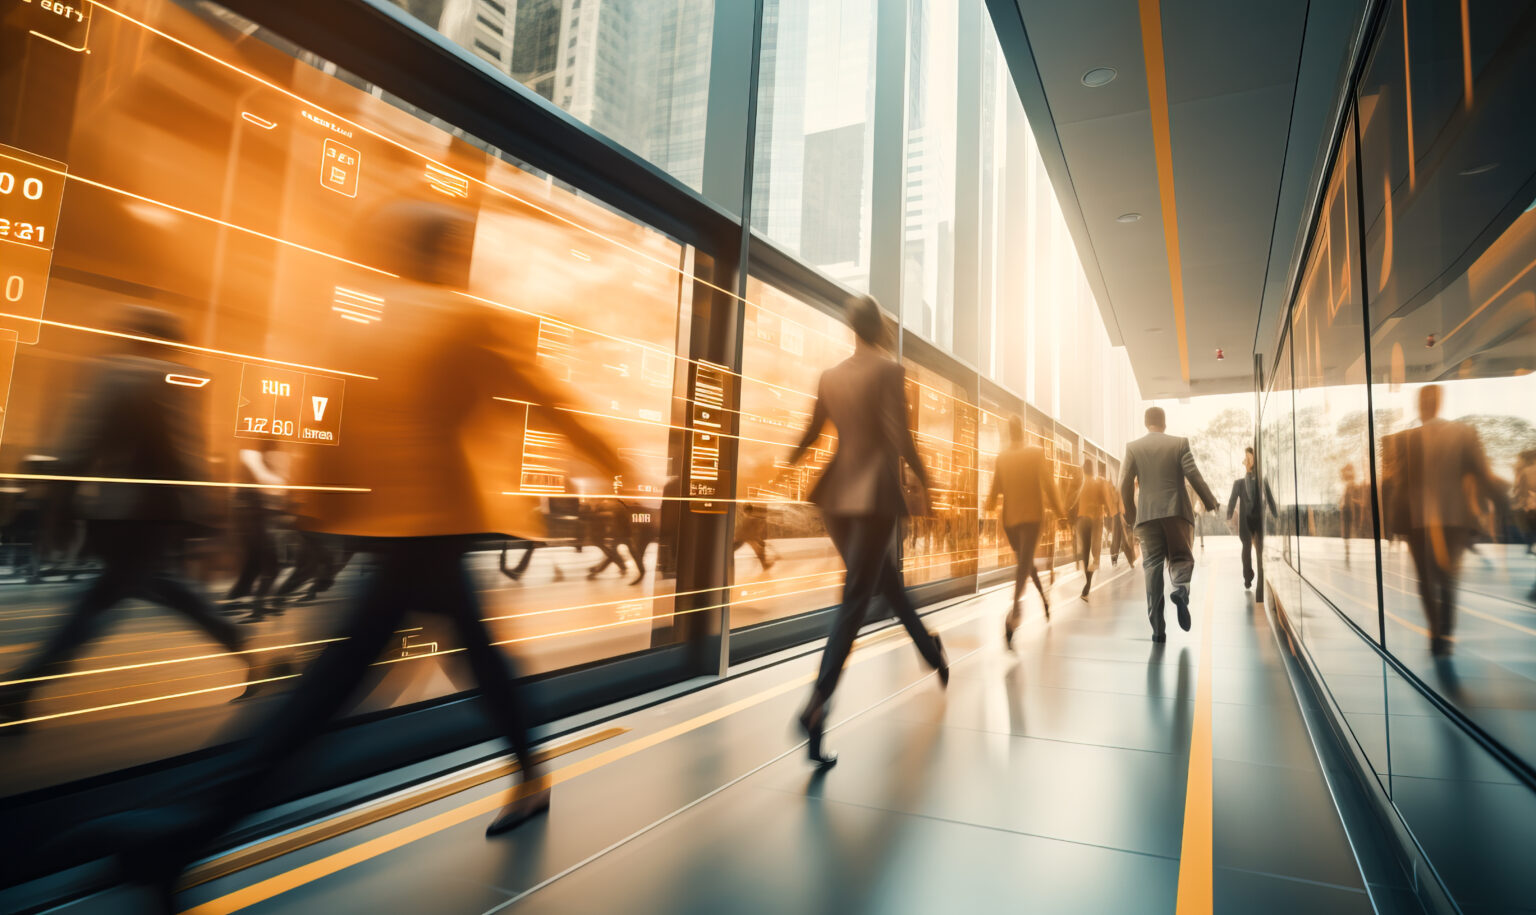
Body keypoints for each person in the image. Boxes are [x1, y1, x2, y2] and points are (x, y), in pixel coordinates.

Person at [85, 200, 627, 902]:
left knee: (339, 688)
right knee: (448, 665)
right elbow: (548, 399)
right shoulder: (470, 315)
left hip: (392, 530)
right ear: (452, 253)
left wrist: (312, 513)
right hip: (437, 525)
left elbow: (329, 426)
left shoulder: (368, 323)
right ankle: (529, 774)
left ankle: (180, 831)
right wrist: (609, 456)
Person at [0, 307, 260, 724]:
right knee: (152, 588)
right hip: (156, 515)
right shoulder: (178, 377)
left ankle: (22, 688)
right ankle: (250, 649)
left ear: (136, 334)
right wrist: (208, 514)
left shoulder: (116, 371)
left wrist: (58, 501)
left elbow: (81, 441)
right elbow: (187, 450)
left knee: (104, 599)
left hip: (119, 513)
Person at [784, 294, 948, 768]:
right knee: (856, 598)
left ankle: (931, 651)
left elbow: (813, 432)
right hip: (874, 494)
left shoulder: (831, 375)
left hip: (836, 497)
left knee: (886, 583)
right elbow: (900, 435)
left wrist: (782, 466)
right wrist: (926, 483)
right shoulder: (890, 372)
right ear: (879, 328)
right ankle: (816, 706)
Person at [1379, 385, 1506, 656]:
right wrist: (1502, 505)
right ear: (1439, 402)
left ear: (1420, 405)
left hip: (1417, 519)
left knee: (1425, 578)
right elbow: (1482, 473)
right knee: (1449, 576)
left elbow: (1395, 483)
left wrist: (1391, 523)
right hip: (1455, 517)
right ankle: (1445, 631)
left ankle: (1436, 631)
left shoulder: (1404, 439)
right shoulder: (1464, 433)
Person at [1120, 406, 1219, 641]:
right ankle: (1181, 591)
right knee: (1180, 556)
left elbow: (1124, 484)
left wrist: (1131, 515)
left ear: (1146, 423)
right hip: (1176, 512)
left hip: (1146, 516)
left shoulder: (1133, 448)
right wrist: (1209, 500)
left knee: (1152, 567)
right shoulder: (1179, 444)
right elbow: (1193, 475)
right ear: (1164, 424)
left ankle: (1158, 631)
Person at [984, 415, 1063, 646]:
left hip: (1010, 520)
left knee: (1025, 563)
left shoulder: (1002, 457)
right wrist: (1060, 510)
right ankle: (1015, 614)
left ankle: (1043, 599)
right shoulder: (1035, 453)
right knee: (1024, 565)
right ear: (1023, 432)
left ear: (1009, 433)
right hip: (1032, 518)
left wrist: (988, 505)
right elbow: (1048, 484)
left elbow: (995, 490)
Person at [1226, 446, 1277, 590]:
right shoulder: (1239, 483)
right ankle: (1247, 578)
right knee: (1246, 549)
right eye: (1246, 458)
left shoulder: (1262, 481)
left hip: (1259, 521)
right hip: (1245, 523)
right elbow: (1231, 501)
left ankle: (1261, 579)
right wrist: (1229, 516)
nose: (1247, 461)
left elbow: (1270, 499)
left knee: (1259, 550)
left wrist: (1275, 515)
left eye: (1250, 458)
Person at [1075, 459, 1110, 599]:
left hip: (1083, 520)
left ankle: (1087, 583)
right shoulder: (1098, 482)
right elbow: (1106, 500)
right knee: (1095, 554)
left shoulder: (1083, 485)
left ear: (1084, 470)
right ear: (1093, 470)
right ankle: (1088, 583)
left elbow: (1076, 502)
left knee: (1085, 553)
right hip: (1095, 520)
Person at [1107, 481, 1137, 568]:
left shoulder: (1117, 490)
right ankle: (1129, 561)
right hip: (1117, 516)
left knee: (1119, 539)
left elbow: (1119, 502)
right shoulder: (1117, 491)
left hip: (1118, 515)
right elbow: (1118, 502)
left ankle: (1128, 561)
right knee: (1120, 539)